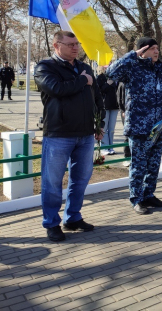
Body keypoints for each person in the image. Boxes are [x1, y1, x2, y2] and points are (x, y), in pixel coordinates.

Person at [34, 31, 104, 242]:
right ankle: (52, 223)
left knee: (80, 180)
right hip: (58, 134)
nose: (76, 48)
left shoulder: (84, 67)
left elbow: (97, 97)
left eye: (77, 44)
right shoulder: (45, 67)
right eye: (71, 44)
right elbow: (56, 89)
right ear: (56, 45)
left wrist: (98, 123)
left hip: (85, 134)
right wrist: (83, 81)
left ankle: (73, 217)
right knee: (52, 182)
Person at [107, 37, 162, 215]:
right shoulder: (132, 67)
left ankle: (148, 194)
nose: (156, 51)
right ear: (142, 51)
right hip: (139, 126)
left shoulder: (160, 69)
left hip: (158, 125)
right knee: (138, 165)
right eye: (152, 48)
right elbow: (110, 73)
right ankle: (136, 199)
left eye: (157, 48)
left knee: (153, 164)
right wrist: (132, 55)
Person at [96, 66, 119, 155]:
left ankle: (111, 147)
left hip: (114, 106)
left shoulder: (116, 78)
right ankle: (104, 147)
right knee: (104, 128)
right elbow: (98, 91)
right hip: (105, 106)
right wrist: (107, 84)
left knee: (111, 128)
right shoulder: (100, 78)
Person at [116, 81, 131, 161]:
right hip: (125, 112)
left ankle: (131, 155)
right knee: (127, 135)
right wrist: (122, 110)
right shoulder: (122, 83)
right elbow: (119, 97)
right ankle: (127, 155)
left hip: (133, 113)